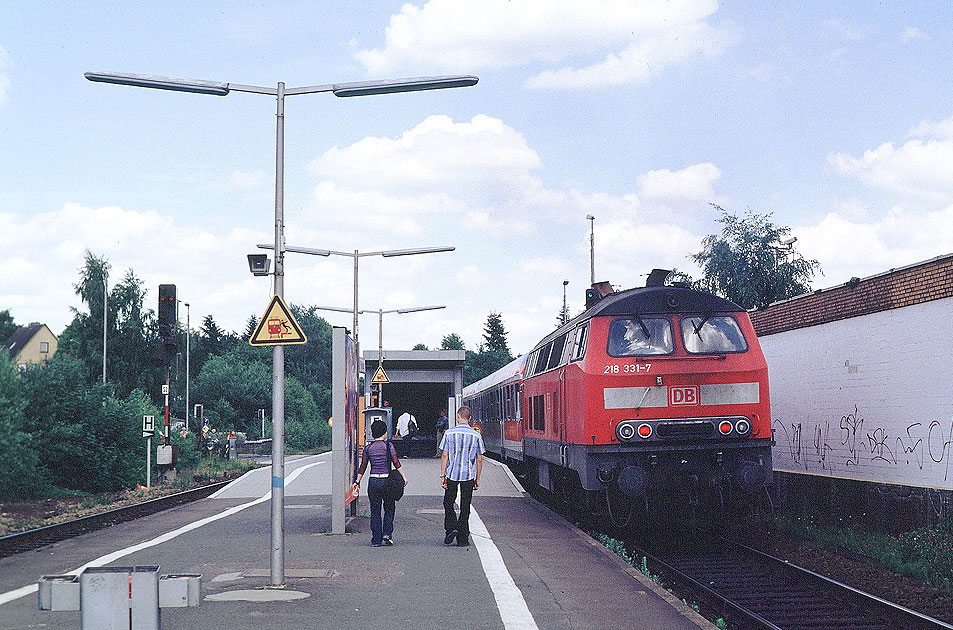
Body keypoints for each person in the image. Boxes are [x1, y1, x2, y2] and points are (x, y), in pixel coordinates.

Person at [354, 420, 408, 547]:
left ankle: (376, 539)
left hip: (373, 481)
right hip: (386, 481)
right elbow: (396, 462)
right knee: (389, 508)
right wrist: (404, 477)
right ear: (384, 432)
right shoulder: (388, 446)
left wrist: (357, 481)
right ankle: (387, 534)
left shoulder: (368, 448)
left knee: (375, 510)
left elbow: (363, 467)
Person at [440, 406, 485, 547]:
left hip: (452, 475)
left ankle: (451, 528)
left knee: (448, 503)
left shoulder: (449, 433)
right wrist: (477, 478)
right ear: (470, 418)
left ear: (458, 416)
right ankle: (463, 538)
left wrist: (443, 476)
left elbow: (445, 455)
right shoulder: (476, 435)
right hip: (468, 476)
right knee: (465, 506)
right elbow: (479, 459)